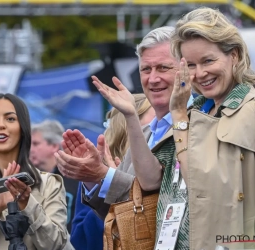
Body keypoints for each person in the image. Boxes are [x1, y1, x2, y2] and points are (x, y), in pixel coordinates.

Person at [55, 26, 193, 250]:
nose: (153, 78)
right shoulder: (146, 132)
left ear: (185, 69)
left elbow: (166, 199)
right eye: (146, 69)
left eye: (163, 67)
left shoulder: (199, 122)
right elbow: (125, 213)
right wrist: (93, 179)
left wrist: (104, 176)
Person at [167, 7, 255, 249]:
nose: (200, 73)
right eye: (191, 65)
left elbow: (200, 183)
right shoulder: (197, 110)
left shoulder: (250, 109)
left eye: (208, 60)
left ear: (234, 55)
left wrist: (178, 116)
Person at [0, 93, 68, 250]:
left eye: (10, 119)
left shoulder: (49, 184)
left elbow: (56, 244)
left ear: (23, 128)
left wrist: (28, 204)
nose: (1, 125)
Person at [70, 93, 155, 250]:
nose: (160, 129)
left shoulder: (159, 165)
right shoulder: (94, 172)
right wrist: (107, 186)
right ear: (127, 127)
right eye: (153, 124)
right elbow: (81, 242)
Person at [30, 120, 78, 233]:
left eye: (35, 144)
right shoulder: (31, 180)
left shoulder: (74, 179)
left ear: (54, 146)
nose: (30, 149)